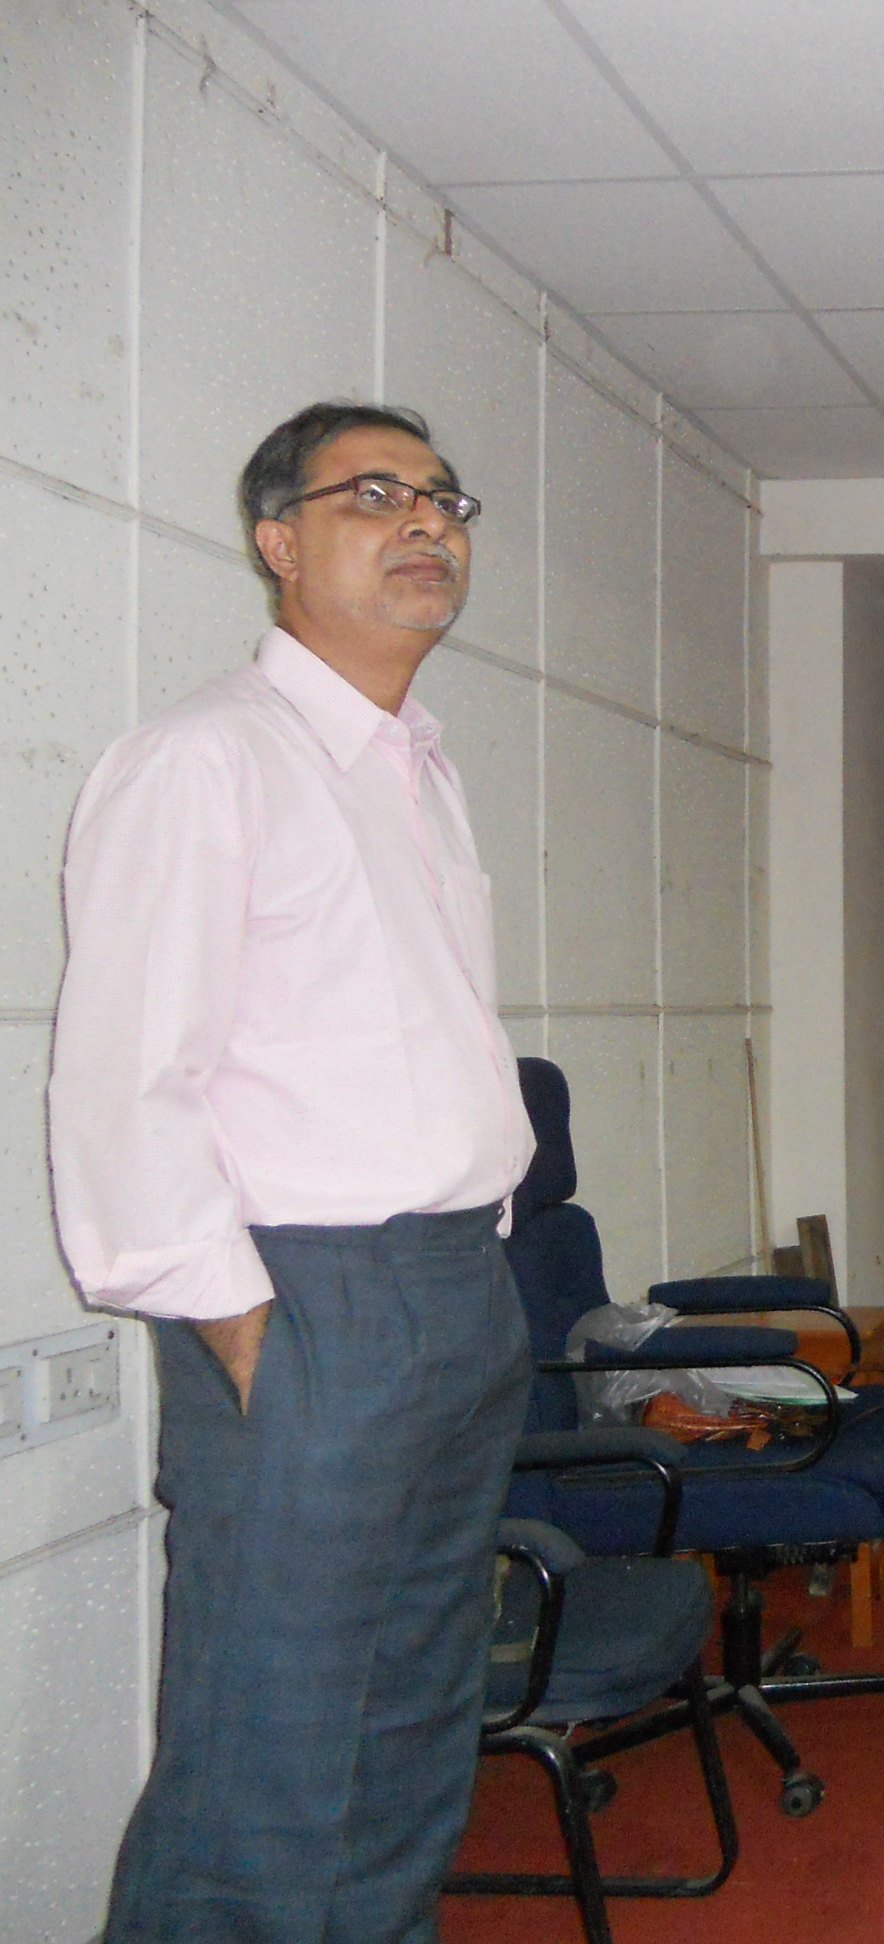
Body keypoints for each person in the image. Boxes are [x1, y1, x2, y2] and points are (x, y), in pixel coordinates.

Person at [49, 402, 535, 1942]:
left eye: (444, 499)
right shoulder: (206, 761)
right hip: (314, 1302)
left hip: (456, 1290)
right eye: (372, 496)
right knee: (269, 1753)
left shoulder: (417, 768)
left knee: (410, 1737)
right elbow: (127, 1079)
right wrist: (249, 1334)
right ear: (277, 541)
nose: (426, 523)